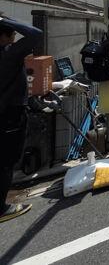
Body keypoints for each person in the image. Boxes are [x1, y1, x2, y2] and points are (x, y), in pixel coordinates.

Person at [0, 16, 42, 223]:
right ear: (4, 36)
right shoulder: (8, 54)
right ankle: (2, 208)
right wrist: (6, 20)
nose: (15, 38)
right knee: (6, 162)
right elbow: (36, 34)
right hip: (10, 116)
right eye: (12, 35)